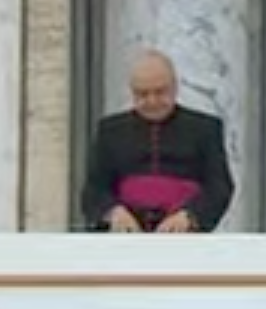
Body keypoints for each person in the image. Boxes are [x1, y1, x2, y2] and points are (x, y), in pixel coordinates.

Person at [80, 50, 235, 233]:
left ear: (175, 88)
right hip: (125, 234)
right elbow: (94, 189)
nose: (152, 101)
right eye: (142, 94)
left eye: (160, 92)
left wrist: (190, 216)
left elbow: (219, 187)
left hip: (184, 235)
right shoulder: (110, 131)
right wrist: (113, 212)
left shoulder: (205, 129)